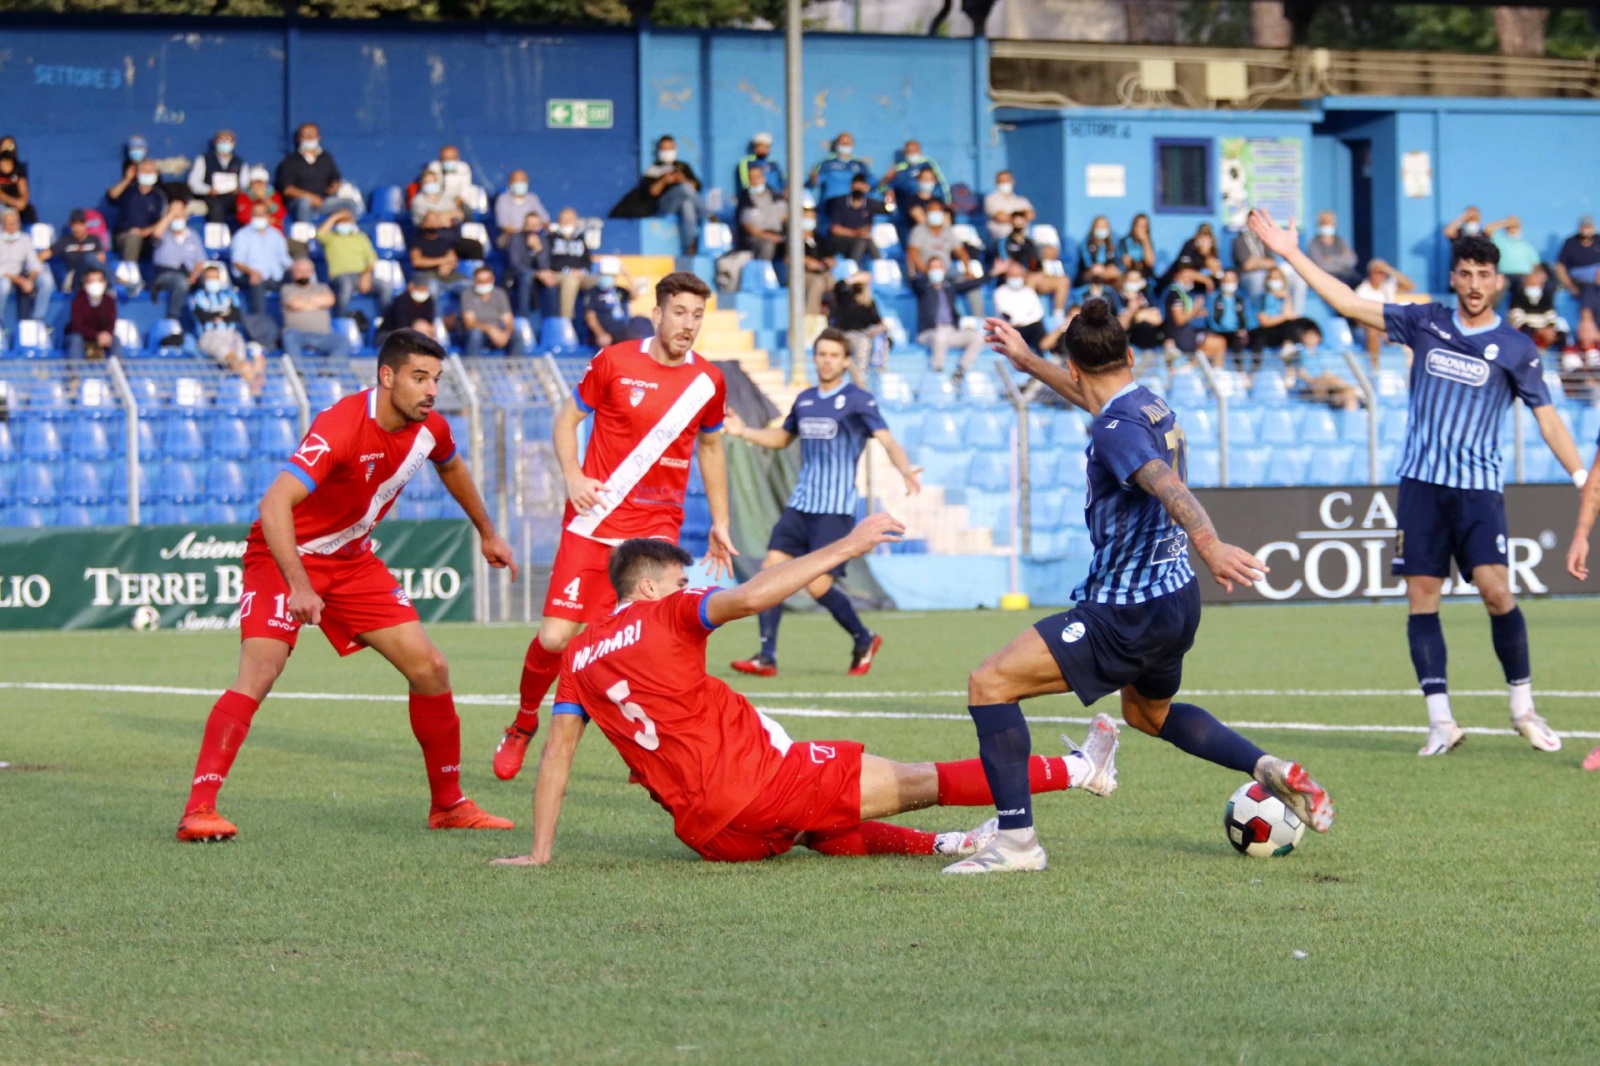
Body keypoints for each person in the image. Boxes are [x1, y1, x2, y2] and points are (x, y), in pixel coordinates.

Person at [949, 303, 1335, 874]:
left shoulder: (1115, 431)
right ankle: (1266, 767)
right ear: (1128, 356)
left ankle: (1016, 842)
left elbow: (1164, 482)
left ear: (1075, 366)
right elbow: (1097, 403)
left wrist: (1210, 544)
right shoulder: (1147, 402)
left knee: (989, 685)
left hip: (1124, 612)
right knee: (1148, 714)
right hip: (1177, 599)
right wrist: (1028, 362)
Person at [492, 524, 1123, 867]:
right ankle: (1080, 770)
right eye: (681, 580)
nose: (688, 587)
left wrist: (540, 853)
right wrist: (847, 546)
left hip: (711, 840)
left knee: (813, 823)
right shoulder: (668, 612)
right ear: (651, 586)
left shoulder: (578, 655)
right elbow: (751, 596)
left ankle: (947, 843)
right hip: (757, 791)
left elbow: (557, 756)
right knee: (918, 779)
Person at [1251, 208, 1585, 757]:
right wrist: (1290, 253)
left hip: (1478, 490)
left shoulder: (1517, 348)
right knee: (1421, 598)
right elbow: (1348, 303)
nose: (1474, 284)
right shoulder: (1425, 321)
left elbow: (1547, 419)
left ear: (1497, 282)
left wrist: (1580, 477)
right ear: (1453, 277)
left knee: (1497, 592)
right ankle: (1440, 721)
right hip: (1422, 486)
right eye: (1466, 273)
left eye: (1484, 275)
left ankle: (1523, 707)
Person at [175, 330, 517, 842]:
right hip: (284, 554)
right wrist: (299, 585)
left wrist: (487, 532)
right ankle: (199, 809)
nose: (431, 390)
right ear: (387, 376)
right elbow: (274, 505)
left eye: (436, 379)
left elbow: (451, 465)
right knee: (261, 670)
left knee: (430, 667)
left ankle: (448, 805)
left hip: (352, 561)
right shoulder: (340, 426)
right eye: (419, 378)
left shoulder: (431, 427)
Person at [492, 273, 736, 781]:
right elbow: (565, 421)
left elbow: (712, 448)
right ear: (658, 314)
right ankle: (522, 723)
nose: (688, 324)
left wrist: (721, 520)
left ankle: (651, 748)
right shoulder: (614, 361)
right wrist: (573, 476)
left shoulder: (708, 381)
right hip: (594, 520)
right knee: (556, 639)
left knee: (653, 641)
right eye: (679, 312)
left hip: (655, 530)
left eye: (697, 315)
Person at [724, 330, 922, 677]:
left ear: (845, 361)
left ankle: (863, 637)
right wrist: (744, 432)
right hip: (801, 504)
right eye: (822, 354)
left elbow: (887, 440)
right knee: (771, 571)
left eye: (834, 355)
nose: (827, 361)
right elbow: (782, 438)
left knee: (816, 585)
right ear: (815, 358)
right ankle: (766, 656)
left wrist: (905, 468)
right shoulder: (805, 400)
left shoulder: (858, 400)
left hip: (835, 510)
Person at [190, 264, 265, 388]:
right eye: (210, 278)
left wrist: (216, 315)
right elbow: (202, 316)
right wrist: (224, 313)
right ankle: (252, 389)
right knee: (234, 360)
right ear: (203, 280)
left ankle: (252, 389)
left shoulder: (229, 295)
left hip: (232, 334)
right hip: (210, 336)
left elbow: (235, 316)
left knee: (257, 356)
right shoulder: (197, 296)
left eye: (215, 278)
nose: (213, 281)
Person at [317, 208, 388, 318]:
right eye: (341, 222)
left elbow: (371, 260)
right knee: (346, 285)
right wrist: (335, 216)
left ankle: (387, 321)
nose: (344, 224)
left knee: (385, 286)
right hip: (339, 277)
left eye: (347, 221)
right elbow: (319, 234)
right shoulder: (330, 238)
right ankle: (339, 319)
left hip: (361, 275)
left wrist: (366, 276)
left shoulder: (361, 238)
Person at [276, 123, 352, 223]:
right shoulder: (290, 161)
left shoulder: (326, 158)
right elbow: (287, 189)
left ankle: (347, 230)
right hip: (299, 202)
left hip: (322, 202)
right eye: (305, 134)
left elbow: (335, 178)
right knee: (304, 203)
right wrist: (310, 197)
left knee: (350, 204)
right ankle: (305, 230)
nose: (309, 137)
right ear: (299, 138)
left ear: (319, 137)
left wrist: (335, 186)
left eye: (312, 134)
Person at [642, 135, 704, 255]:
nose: (667, 152)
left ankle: (690, 245)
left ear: (675, 148)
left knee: (687, 204)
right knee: (685, 188)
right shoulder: (653, 168)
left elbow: (697, 187)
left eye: (670, 148)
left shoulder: (682, 166)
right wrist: (664, 180)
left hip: (682, 203)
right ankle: (708, 214)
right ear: (659, 150)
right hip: (664, 205)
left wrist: (683, 179)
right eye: (664, 149)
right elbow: (651, 192)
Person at [228, 200, 294, 314]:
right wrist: (251, 272)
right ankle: (259, 319)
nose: (259, 217)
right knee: (257, 280)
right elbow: (237, 262)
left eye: (262, 214)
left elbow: (284, 258)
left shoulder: (277, 235)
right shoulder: (241, 235)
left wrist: (296, 268)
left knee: (299, 276)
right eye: (256, 214)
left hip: (274, 276)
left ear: (268, 216)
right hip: (248, 275)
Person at [280, 256, 351, 361]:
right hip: (298, 335)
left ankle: (330, 370)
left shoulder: (322, 287)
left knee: (343, 342)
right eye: (299, 271)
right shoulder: (287, 289)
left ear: (312, 273)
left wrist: (304, 302)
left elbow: (330, 300)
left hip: (324, 335)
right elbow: (294, 304)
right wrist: (317, 303)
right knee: (288, 336)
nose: (303, 274)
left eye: (306, 271)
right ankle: (297, 370)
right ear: (293, 273)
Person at [827, 268, 889, 386]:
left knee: (877, 338)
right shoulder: (845, 297)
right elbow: (837, 286)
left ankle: (878, 372)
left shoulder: (869, 302)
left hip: (864, 334)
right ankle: (860, 381)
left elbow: (878, 321)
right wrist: (853, 278)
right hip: (846, 334)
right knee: (862, 342)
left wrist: (879, 329)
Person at [1000, 211, 1068, 314]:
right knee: (1031, 280)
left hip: (1033, 275)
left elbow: (1036, 263)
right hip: (1015, 276)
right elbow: (1005, 262)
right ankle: (1029, 314)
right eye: (1016, 221)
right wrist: (1022, 272)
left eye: (1021, 221)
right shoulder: (1004, 242)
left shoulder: (1030, 243)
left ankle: (1058, 315)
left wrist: (1040, 271)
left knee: (1063, 281)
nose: (1019, 224)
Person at [148, 202, 206, 316]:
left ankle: (207, 317)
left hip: (189, 273)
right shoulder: (163, 233)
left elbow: (200, 260)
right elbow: (155, 234)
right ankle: (173, 316)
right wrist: (171, 214)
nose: (178, 219)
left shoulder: (193, 235)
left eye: (180, 216)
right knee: (182, 282)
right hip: (165, 274)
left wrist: (194, 275)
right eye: (175, 217)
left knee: (209, 279)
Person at [1353, 259, 1416, 362]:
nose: (1379, 276)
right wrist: (1380, 326)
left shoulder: (1387, 287)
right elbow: (1358, 319)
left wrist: (1390, 270)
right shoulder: (1362, 291)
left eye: (1382, 273)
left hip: (1389, 325)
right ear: (1370, 274)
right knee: (1372, 332)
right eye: (1377, 273)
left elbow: (1410, 286)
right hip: (1369, 326)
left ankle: (1411, 367)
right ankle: (1375, 368)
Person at [107, 158, 167, 263]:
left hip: (148, 236)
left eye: (151, 171)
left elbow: (161, 221)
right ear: (138, 173)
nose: (148, 174)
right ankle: (131, 270)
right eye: (144, 171)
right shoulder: (128, 190)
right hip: (124, 235)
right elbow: (113, 195)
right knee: (133, 238)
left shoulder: (159, 196)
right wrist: (127, 179)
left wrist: (143, 232)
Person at [0, 207, 55, 320]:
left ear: (19, 224)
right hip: (5, 276)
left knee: (46, 281)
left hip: (21, 275)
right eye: (8, 224)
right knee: (4, 285)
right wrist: (17, 280)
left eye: (14, 223)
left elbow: (35, 264)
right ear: (2, 225)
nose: (11, 227)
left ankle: (37, 318)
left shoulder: (25, 239)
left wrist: (30, 279)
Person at [458, 265, 524, 357]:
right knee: (475, 334)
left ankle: (514, 365)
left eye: (487, 280)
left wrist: (505, 334)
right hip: (477, 334)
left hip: (497, 333)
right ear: (474, 280)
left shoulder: (500, 294)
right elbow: (470, 323)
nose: (483, 284)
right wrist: (491, 330)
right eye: (480, 281)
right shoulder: (467, 295)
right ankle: (472, 365)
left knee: (517, 335)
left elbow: (508, 320)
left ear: (493, 279)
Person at [1249, 265, 1317, 353]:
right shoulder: (1262, 298)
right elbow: (1264, 321)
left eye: (1278, 278)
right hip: (1266, 332)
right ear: (1267, 281)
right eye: (1272, 278)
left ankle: (1289, 348)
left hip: (1281, 331)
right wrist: (1284, 317)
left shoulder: (1285, 297)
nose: (1275, 281)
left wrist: (1286, 298)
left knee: (1293, 325)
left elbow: (1291, 315)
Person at [806, 132, 871, 219]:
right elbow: (813, 182)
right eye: (843, 143)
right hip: (830, 209)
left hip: (854, 210)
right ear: (837, 144)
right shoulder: (826, 163)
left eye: (848, 143)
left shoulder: (860, 165)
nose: (845, 146)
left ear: (853, 144)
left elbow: (871, 184)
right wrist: (813, 178)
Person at [187, 129, 247, 224]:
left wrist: (239, 190)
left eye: (228, 140)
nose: (225, 143)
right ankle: (215, 233)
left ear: (234, 143)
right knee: (216, 208)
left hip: (232, 197)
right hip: (211, 197)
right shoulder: (203, 159)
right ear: (215, 142)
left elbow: (245, 184)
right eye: (222, 140)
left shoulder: (240, 162)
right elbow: (193, 183)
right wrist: (208, 190)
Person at [64, 267, 122, 360]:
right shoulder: (78, 301)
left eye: (98, 281)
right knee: (76, 340)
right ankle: (74, 369)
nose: (95, 285)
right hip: (81, 336)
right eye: (91, 281)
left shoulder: (109, 301)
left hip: (102, 337)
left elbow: (111, 322)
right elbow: (77, 326)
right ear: (85, 284)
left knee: (115, 340)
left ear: (105, 283)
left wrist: (107, 334)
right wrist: (96, 336)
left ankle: (121, 368)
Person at [1507, 264, 1568, 352]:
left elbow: (1550, 315)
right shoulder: (1518, 296)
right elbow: (1517, 319)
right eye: (1536, 274)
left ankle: (1562, 355)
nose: (1541, 278)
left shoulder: (1546, 297)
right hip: (1527, 333)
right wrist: (1538, 332)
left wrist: (1549, 329)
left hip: (1545, 331)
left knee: (1561, 328)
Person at [546, 206, 592, 319]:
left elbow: (587, 260)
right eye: (564, 220)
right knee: (571, 281)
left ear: (576, 221)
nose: (567, 222)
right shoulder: (551, 238)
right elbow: (548, 260)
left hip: (580, 274)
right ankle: (566, 320)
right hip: (558, 273)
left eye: (570, 219)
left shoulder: (580, 239)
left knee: (601, 282)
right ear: (559, 221)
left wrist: (582, 271)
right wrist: (568, 271)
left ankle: (603, 320)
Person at [505, 211, 553, 319]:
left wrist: (538, 250)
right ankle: (524, 316)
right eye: (529, 224)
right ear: (524, 225)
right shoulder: (516, 238)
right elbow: (515, 263)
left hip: (539, 273)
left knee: (551, 280)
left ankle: (553, 319)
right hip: (518, 273)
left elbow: (545, 265)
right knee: (527, 277)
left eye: (535, 225)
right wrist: (535, 273)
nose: (532, 227)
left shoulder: (543, 240)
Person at [45, 209, 107, 291]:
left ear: (85, 225)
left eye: (79, 225)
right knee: (89, 258)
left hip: (91, 275)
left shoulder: (94, 240)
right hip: (74, 274)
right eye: (73, 226)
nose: (76, 229)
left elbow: (101, 259)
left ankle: (110, 289)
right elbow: (45, 254)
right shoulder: (65, 241)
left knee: (91, 261)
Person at [994, 258, 1049, 351]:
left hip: (1029, 325)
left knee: (1038, 328)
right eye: (1013, 276)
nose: (1016, 279)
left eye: (1018, 276)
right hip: (1012, 328)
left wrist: (1023, 321)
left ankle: (1044, 354)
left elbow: (1038, 313)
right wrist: (1018, 321)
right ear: (1007, 277)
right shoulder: (1000, 292)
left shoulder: (1029, 292)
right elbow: (1004, 313)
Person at [825, 174, 880, 265]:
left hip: (860, 238)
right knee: (861, 241)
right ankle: (853, 267)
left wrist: (864, 232)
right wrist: (855, 233)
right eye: (856, 186)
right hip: (840, 240)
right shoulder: (840, 202)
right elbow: (835, 229)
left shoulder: (869, 204)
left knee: (868, 241)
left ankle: (879, 266)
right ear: (851, 186)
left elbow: (868, 226)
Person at [578, 258, 633, 347]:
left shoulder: (620, 290)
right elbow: (590, 316)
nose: (608, 278)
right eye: (605, 275)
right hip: (606, 335)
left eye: (611, 275)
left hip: (623, 333)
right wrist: (600, 333)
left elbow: (635, 294)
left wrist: (626, 274)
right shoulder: (593, 292)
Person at [408, 211, 466, 295]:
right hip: (426, 275)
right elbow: (417, 262)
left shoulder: (445, 241)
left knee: (468, 285)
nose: (432, 224)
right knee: (432, 287)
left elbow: (453, 259)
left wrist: (449, 266)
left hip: (448, 275)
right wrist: (442, 261)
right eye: (429, 221)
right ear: (423, 224)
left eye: (435, 221)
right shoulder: (417, 242)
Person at [736, 163, 786, 261]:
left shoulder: (775, 197)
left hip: (778, 235)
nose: (755, 181)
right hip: (757, 239)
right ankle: (763, 268)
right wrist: (771, 237)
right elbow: (750, 229)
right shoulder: (745, 201)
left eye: (758, 177)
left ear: (763, 178)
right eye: (752, 178)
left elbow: (786, 216)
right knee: (767, 245)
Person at [1485, 215, 1541, 296]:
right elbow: (1488, 229)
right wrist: (1505, 223)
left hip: (1523, 276)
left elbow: (1536, 265)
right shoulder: (1499, 240)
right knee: (1498, 287)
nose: (1513, 228)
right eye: (1511, 227)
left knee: (1527, 289)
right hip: (1504, 275)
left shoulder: (1527, 246)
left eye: (1516, 226)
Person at [493, 169, 547, 249]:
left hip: (534, 235)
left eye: (523, 181)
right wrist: (524, 234)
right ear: (510, 183)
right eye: (517, 181)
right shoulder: (503, 199)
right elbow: (504, 226)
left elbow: (545, 220)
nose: (520, 184)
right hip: (511, 237)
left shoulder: (533, 199)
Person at [1304, 210, 1360, 287]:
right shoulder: (1314, 244)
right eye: (1324, 223)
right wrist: (1342, 261)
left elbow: (1352, 260)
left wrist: (1332, 259)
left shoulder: (1340, 241)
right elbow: (1322, 265)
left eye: (1330, 223)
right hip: (1325, 277)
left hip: (1345, 276)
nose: (1327, 226)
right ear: (1319, 225)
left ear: (1335, 224)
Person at [983, 169, 1034, 247]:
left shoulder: (1021, 200)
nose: (1005, 183)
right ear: (996, 183)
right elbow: (999, 217)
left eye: (1007, 180)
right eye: (1001, 181)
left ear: (1012, 182)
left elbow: (1031, 215)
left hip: (1024, 237)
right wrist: (1019, 217)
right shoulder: (991, 199)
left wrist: (1012, 217)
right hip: (1002, 238)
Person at [234, 167, 287, 232]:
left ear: (266, 184)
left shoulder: (274, 195)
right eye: (255, 183)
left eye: (260, 183)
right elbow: (243, 218)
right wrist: (266, 221)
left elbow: (281, 215)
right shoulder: (243, 196)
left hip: (273, 231)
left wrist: (265, 199)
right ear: (250, 184)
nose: (258, 186)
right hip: (251, 231)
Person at [735, 132, 784, 196]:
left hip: (776, 198)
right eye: (761, 146)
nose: (764, 149)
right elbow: (745, 184)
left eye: (766, 146)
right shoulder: (747, 162)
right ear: (755, 147)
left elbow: (782, 181)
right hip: (755, 198)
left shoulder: (774, 164)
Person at [1076, 216, 1120, 286]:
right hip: (1089, 273)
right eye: (1099, 227)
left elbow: (1115, 262)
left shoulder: (1112, 244)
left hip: (1107, 273)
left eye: (1104, 227)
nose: (1101, 229)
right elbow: (1088, 264)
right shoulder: (1086, 243)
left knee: (1116, 272)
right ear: (1093, 228)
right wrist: (1100, 269)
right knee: (1096, 270)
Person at [0, 151, 34, 226]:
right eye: (3, 162)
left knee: (29, 211)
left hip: (16, 204)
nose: (5, 165)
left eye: (8, 163)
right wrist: (14, 203)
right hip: (3, 205)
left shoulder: (18, 172)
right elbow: (1, 196)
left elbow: (23, 197)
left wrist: (20, 203)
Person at [1118, 214, 1156, 280]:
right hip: (1129, 274)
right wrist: (1137, 264)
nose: (1140, 229)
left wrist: (1145, 241)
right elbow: (1126, 262)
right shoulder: (1124, 241)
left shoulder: (1148, 242)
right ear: (1134, 226)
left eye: (1143, 227)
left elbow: (1150, 263)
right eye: (1138, 226)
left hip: (1145, 276)